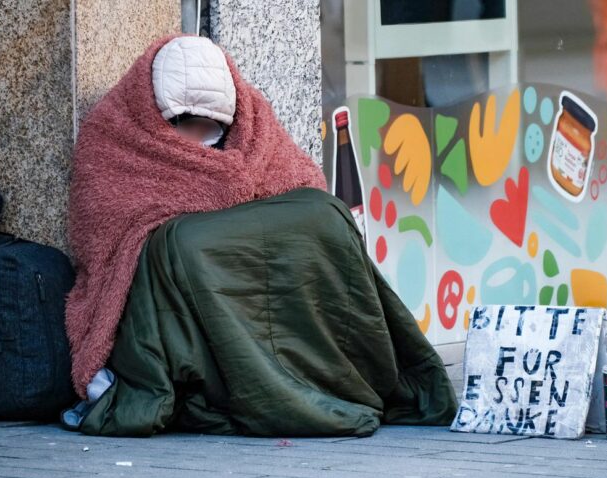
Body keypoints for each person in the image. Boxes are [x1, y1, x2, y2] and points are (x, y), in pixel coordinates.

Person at [61, 35, 457, 437]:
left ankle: (332, 371)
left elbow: (301, 181)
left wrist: (226, 196)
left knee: (325, 215)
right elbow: (105, 232)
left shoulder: (253, 123)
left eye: (210, 129)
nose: (199, 141)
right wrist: (214, 193)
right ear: (157, 117)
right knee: (185, 242)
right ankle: (254, 382)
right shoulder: (113, 137)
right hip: (186, 271)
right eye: (187, 126)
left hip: (247, 262)